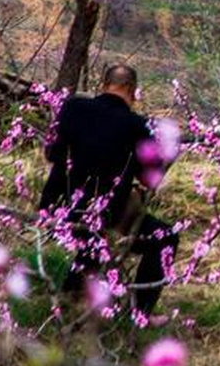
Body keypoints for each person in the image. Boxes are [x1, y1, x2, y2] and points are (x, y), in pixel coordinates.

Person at [39, 63, 180, 321]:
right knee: (165, 238)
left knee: (92, 237)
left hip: (57, 205)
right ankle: (140, 315)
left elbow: (52, 153)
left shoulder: (71, 107)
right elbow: (151, 179)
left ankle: (69, 298)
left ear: (103, 85)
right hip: (105, 214)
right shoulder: (138, 125)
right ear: (131, 90)